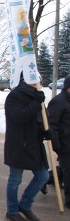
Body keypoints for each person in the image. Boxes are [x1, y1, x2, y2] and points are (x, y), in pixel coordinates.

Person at [4, 73, 50, 221]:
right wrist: (36, 102)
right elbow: (19, 117)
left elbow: (42, 118)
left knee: (43, 176)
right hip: (19, 144)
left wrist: (47, 130)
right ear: (27, 80)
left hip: (35, 144)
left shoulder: (37, 96)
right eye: (36, 79)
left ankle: (25, 204)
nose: (39, 82)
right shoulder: (14, 96)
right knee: (15, 179)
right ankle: (12, 211)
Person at [47, 75, 70, 209]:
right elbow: (52, 125)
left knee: (64, 169)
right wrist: (57, 146)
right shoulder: (58, 101)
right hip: (65, 144)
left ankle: (45, 179)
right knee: (68, 171)